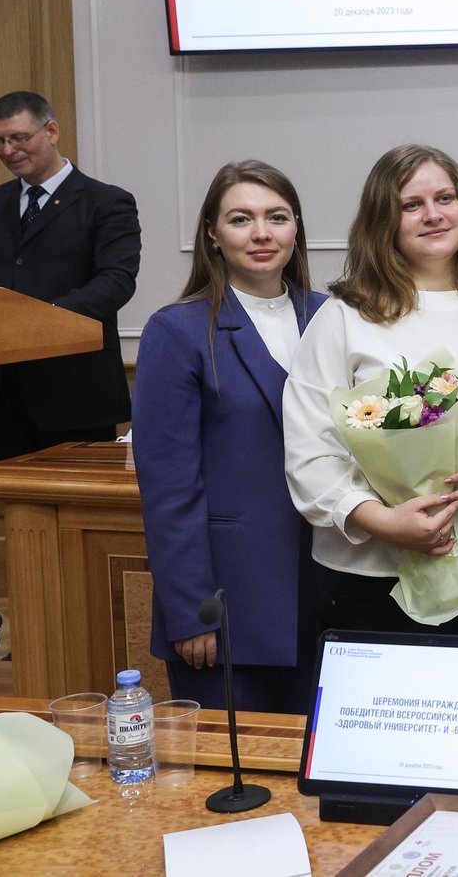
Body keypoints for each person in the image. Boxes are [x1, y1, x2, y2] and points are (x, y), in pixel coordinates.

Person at [283, 144, 458, 635]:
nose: (433, 215)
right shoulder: (343, 316)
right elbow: (308, 449)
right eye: (412, 205)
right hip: (366, 571)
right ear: (383, 219)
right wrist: (379, 521)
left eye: (445, 198)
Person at [132, 161, 325, 713]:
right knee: (231, 782)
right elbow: (169, 489)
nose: (262, 233)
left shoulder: (331, 316)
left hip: (328, 594)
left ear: (296, 230)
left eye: (277, 217)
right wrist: (193, 611)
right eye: (241, 219)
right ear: (212, 234)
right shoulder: (178, 330)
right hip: (228, 604)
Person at [0, 90, 141, 459]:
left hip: (76, 390)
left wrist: (42, 320)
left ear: (52, 131)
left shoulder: (106, 202)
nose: (8, 150)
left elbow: (115, 281)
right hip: (2, 392)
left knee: (80, 512)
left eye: (20, 138)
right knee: (15, 508)